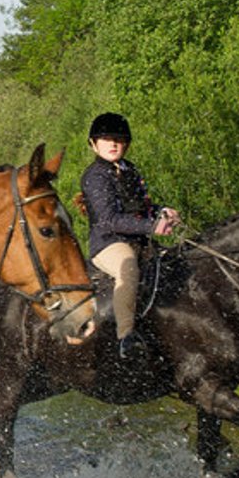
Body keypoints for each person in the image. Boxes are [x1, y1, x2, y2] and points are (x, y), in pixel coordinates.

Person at [80, 112, 181, 358]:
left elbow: (140, 207)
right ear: (94, 144)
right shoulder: (94, 176)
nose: (113, 144)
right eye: (106, 139)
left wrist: (162, 212)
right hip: (108, 243)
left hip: (138, 239)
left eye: (118, 139)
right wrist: (151, 226)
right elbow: (110, 219)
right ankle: (126, 337)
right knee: (129, 269)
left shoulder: (129, 169)